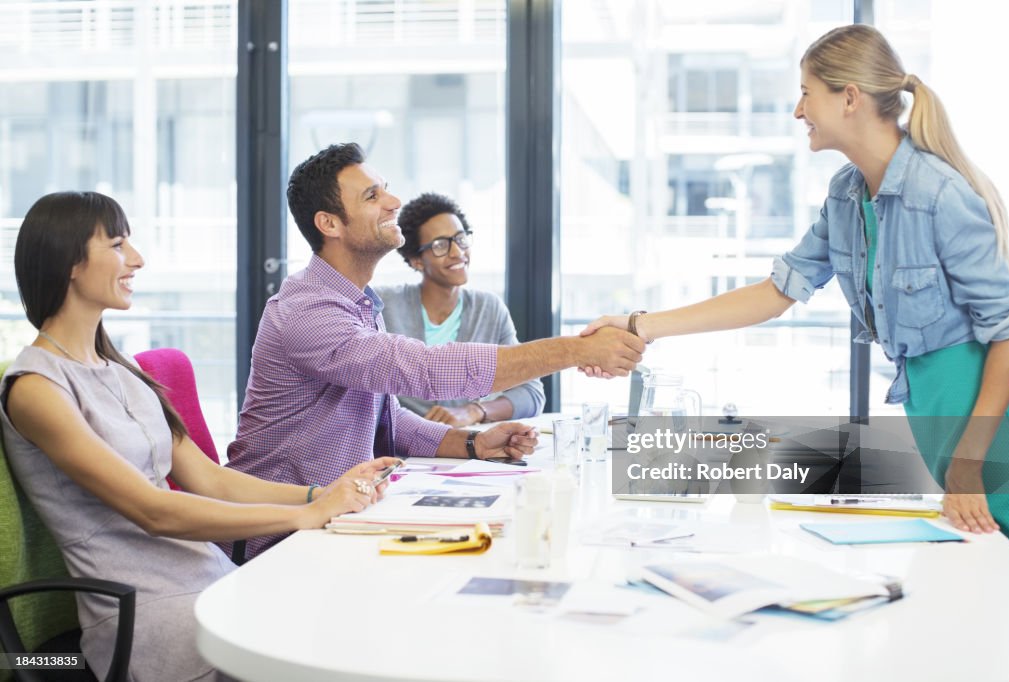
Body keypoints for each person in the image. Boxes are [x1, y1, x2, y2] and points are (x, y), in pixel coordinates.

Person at [582, 24, 1009, 549]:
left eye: (807, 93)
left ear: (850, 98)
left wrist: (971, 462)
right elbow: (776, 292)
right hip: (935, 413)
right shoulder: (846, 195)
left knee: (1001, 574)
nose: (798, 111)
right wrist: (640, 325)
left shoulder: (938, 193)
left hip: (992, 426)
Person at [0, 191, 399, 681]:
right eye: (118, 245)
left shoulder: (122, 372)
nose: (138, 259)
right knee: (331, 652)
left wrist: (325, 495)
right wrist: (305, 515)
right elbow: (153, 510)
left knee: (364, 620)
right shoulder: (35, 389)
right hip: (146, 611)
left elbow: (213, 481)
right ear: (70, 262)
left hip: (210, 580)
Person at [227, 143, 643, 559]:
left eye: (385, 189)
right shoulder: (306, 309)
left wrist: (471, 444)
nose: (393, 202)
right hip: (279, 531)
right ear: (329, 224)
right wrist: (575, 350)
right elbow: (424, 370)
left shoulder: (358, 302)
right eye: (372, 196)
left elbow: (386, 418)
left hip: (339, 515)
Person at [378, 192, 545, 426]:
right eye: (440, 245)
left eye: (460, 239)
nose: (457, 252)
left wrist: (475, 411)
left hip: (470, 449)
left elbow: (531, 393)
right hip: (404, 451)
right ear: (416, 259)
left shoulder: (489, 308)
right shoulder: (385, 305)